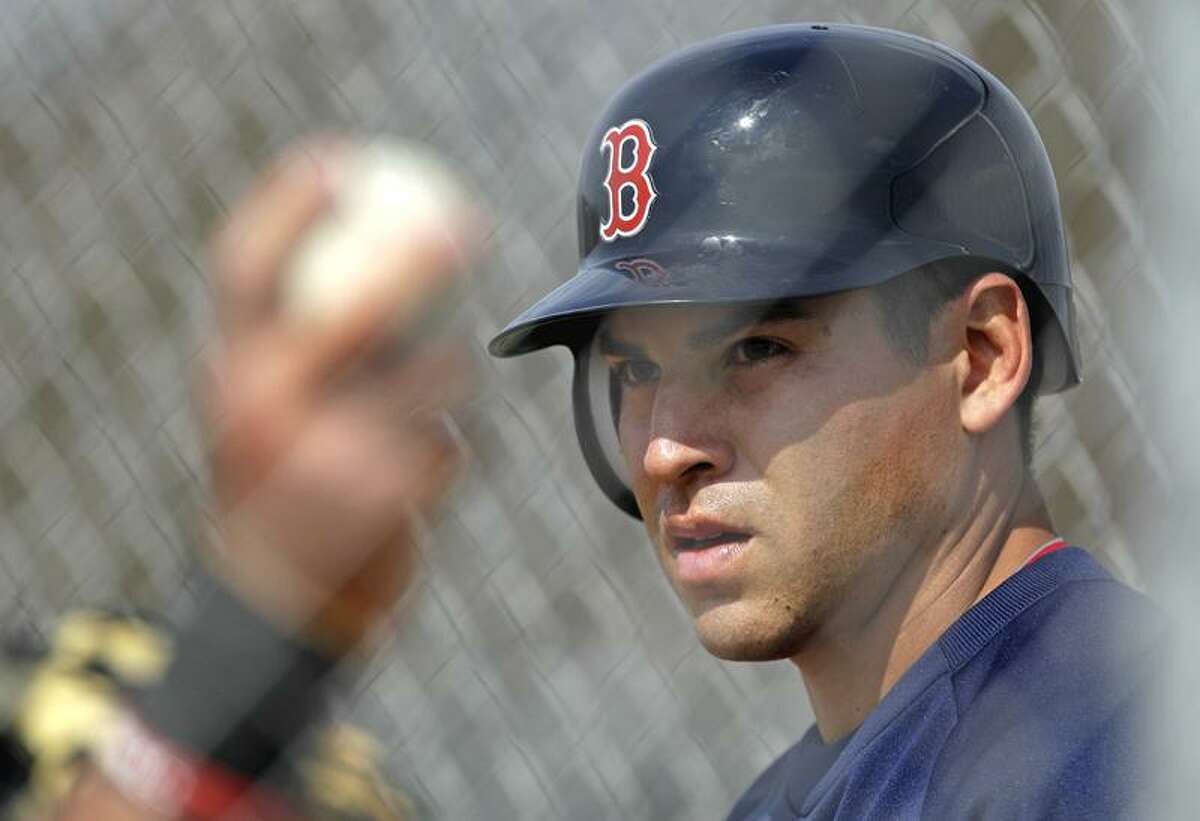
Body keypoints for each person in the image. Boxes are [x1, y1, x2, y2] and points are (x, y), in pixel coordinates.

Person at [51, 23, 1163, 820]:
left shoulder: (1115, 741)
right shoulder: (805, 786)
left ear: (980, 356)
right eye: (632, 371)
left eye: (758, 349)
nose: (667, 445)